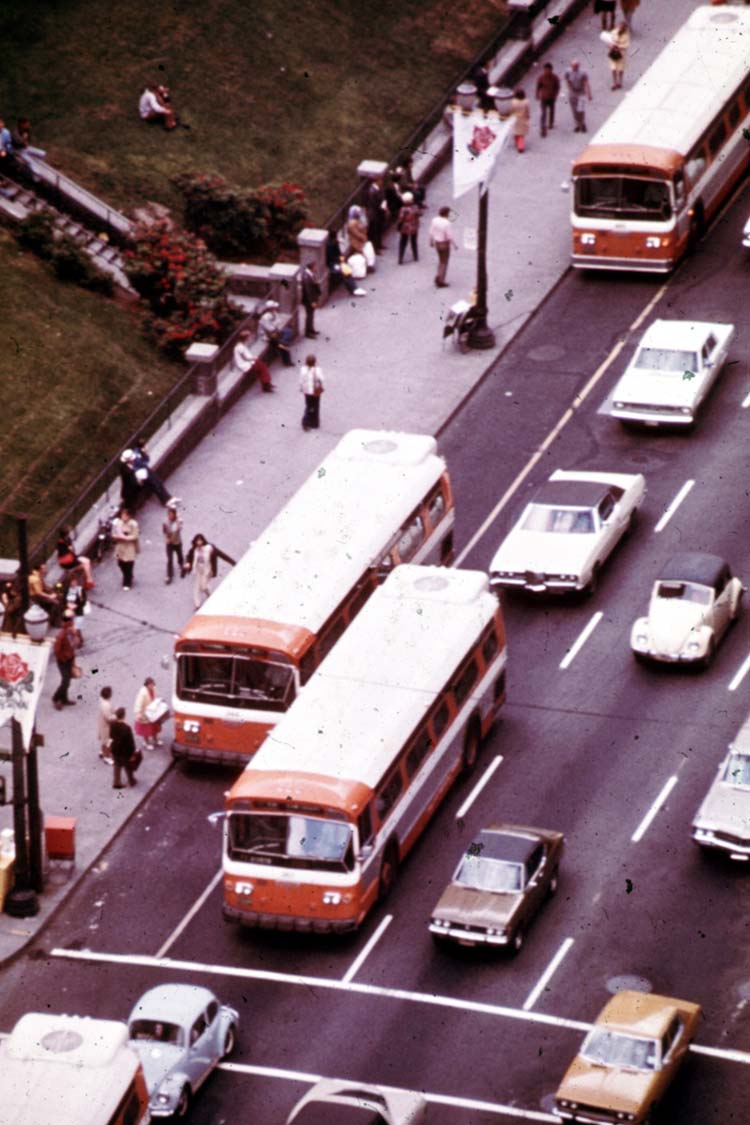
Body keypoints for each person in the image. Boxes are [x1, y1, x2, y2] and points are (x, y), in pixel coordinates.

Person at [184, 534, 236, 608]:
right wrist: (188, 563)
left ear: (203, 541)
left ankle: (208, 592)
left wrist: (233, 562)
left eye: (200, 541)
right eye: (197, 541)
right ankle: (197, 604)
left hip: (207, 570)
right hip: (198, 570)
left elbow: (222, 555)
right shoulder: (194, 549)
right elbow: (188, 557)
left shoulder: (210, 548)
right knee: (197, 587)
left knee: (204, 586)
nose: (199, 543)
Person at [51, 611, 82, 711]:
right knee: (66, 681)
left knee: (67, 680)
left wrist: (76, 635)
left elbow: (76, 644)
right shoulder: (61, 636)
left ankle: (64, 699)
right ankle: (56, 698)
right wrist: (63, 657)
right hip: (63, 661)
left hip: (70, 659)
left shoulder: (71, 633)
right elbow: (56, 651)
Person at [325, 228, 367, 297]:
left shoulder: (333, 243)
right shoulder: (330, 245)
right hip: (332, 264)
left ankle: (353, 287)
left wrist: (341, 260)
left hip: (336, 262)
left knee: (346, 272)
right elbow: (332, 257)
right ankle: (353, 288)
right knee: (344, 273)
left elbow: (338, 254)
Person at [56, 525, 94, 590]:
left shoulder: (63, 541)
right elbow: (70, 551)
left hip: (69, 560)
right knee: (86, 563)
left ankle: (88, 581)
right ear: (66, 534)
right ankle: (89, 581)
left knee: (86, 563)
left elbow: (69, 551)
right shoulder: (64, 542)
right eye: (69, 532)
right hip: (69, 562)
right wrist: (69, 549)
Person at [257, 301, 294, 366]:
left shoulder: (274, 313)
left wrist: (278, 330)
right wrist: (277, 332)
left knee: (288, 331)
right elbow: (269, 329)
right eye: (274, 307)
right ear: (270, 308)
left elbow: (278, 323)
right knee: (282, 344)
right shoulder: (265, 317)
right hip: (267, 335)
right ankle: (287, 361)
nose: (276, 308)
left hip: (275, 332)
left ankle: (283, 343)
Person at [429, 206, 457, 288]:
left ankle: (438, 275)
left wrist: (430, 241)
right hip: (444, 243)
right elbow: (449, 235)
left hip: (437, 243)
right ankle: (441, 280)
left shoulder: (434, 220)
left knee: (440, 260)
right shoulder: (447, 223)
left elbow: (431, 231)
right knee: (444, 262)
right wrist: (454, 244)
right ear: (446, 214)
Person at [134, 676, 166, 749]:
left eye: (153, 684)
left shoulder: (154, 689)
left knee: (155, 727)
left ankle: (155, 739)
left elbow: (157, 696)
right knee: (146, 729)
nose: (152, 686)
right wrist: (138, 713)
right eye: (151, 685)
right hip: (145, 713)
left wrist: (161, 701)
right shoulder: (142, 693)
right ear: (147, 685)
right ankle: (146, 742)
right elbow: (138, 704)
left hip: (153, 712)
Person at [112, 507, 140, 590]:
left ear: (129, 516)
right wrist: (116, 537)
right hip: (121, 545)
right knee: (120, 563)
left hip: (129, 546)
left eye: (125, 515)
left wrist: (126, 537)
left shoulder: (133, 524)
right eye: (122, 515)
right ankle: (128, 575)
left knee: (129, 564)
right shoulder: (118, 523)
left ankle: (127, 582)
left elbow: (135, 535)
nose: (123, 517)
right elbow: (114, 533)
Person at [110, 707, 138, 788]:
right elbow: (130, 742)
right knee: (128, 767)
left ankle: (116, 782)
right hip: (125, 752)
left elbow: (110, 736)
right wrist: (133, 753)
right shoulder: (126, 728)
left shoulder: (112, 725)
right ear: (124, 716)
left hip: (115, 750)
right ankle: (131, 781)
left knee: (117, 765)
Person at [564, 60, 592, 133]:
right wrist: (570, 88)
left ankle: (582, 123)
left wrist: (589, 94)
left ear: (578, 66)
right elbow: (567, 80)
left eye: (576, 66)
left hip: (581, 92)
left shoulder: (583, 73)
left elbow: (586, 83)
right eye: (573, 66)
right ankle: (577, 124)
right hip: (573, 92)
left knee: (581, 110)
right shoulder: (568, 71)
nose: (574, 68)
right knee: (574, 110)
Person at [299, 354, 325, 432]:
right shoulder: (317, 370)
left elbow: (301, 380)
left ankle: (308, 421)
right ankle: (312, 422)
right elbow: (321, 379)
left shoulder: (303, 370)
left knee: (309, 406)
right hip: (315, 391)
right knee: (315, 406)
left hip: (307, 391)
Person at [162, 499, 185, 585]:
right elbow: (164, 531)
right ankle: (169, 575)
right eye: (169, 515)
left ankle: (181, 564)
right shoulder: (165, 522)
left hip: (177, 542)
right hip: (169, 544)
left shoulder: (178, 522)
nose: (170, 516)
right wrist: (167, 538)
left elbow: (178, 529)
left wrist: (170, 539)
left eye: (172, 515)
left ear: (175, 515)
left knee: (179, 555)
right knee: (169, 559)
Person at [536, 62, 560, 137]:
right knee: (543, 113)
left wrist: (556, 95)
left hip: (552, 97)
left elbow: (557, 87)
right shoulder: (541, 78)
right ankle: (543, 128)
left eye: (548, 70)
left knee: (552, 111)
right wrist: (537, 94)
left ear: (551, 70)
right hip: (544, 98)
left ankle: (551, 123)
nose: (547, 72)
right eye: (545, 70)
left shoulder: (555, 78)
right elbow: (538, 87)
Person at [363, 177, 386, 253]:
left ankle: (379, 244)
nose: (382, 182)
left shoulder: (379, 189)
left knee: (379, 229)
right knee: (374, 231)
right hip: (374, 213)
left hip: (378, 212)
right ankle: (375, 248)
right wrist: (381, 206)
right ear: (377, 181)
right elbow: (374, 203)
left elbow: (382, 198)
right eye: (380, 180)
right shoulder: (372, 190)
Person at [397, 192, 420, 264]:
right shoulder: (415, 207)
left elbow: (400, 218)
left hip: (405, 227)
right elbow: (419, 214)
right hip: (414, 226)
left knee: (403, 242)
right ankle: (415, 256)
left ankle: (400, 258)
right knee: (414, 241)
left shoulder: (403, 209)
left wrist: (399, 225)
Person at [606, 22, 631, 90]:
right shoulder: (614, 32)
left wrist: (618, 46)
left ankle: (620, 82)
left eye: (623, 28)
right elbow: (609, 41)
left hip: (621, 54)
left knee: (620, 69)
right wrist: (610, 46)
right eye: (620, 27)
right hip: (613, 53)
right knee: (613, 69)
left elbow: (626, 45)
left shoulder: (626, 35)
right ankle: (614, 83)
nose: (621, 28)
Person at [300, 263, 321, 339]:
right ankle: (308, 332)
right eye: (315, 267)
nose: (316, 268)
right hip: (308, 301)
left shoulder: (310, 274)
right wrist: (312, 301)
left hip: (311, 299)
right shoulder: (306, 277)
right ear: (311, 267)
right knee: (309, 316)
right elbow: (308, 291)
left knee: (311, 315)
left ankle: (311, 329)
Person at [98, 686, 115, 763]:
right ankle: (107, 757)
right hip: (106, 727)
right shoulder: (106, 705)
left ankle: (102, 752)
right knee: (108, 743)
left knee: (104, 741)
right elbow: (109, 718)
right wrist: (116, 716)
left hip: (102, 725)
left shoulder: (102, 702)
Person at [511, 88, 531, 153]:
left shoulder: (513, 102)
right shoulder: (526, 102)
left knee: (516, 132)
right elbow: (527, 110)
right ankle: (520, 146)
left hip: (515, 119)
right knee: (521, 134)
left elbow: (511, 110)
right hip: (523, 119)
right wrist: (528, 116)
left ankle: (517, 143)